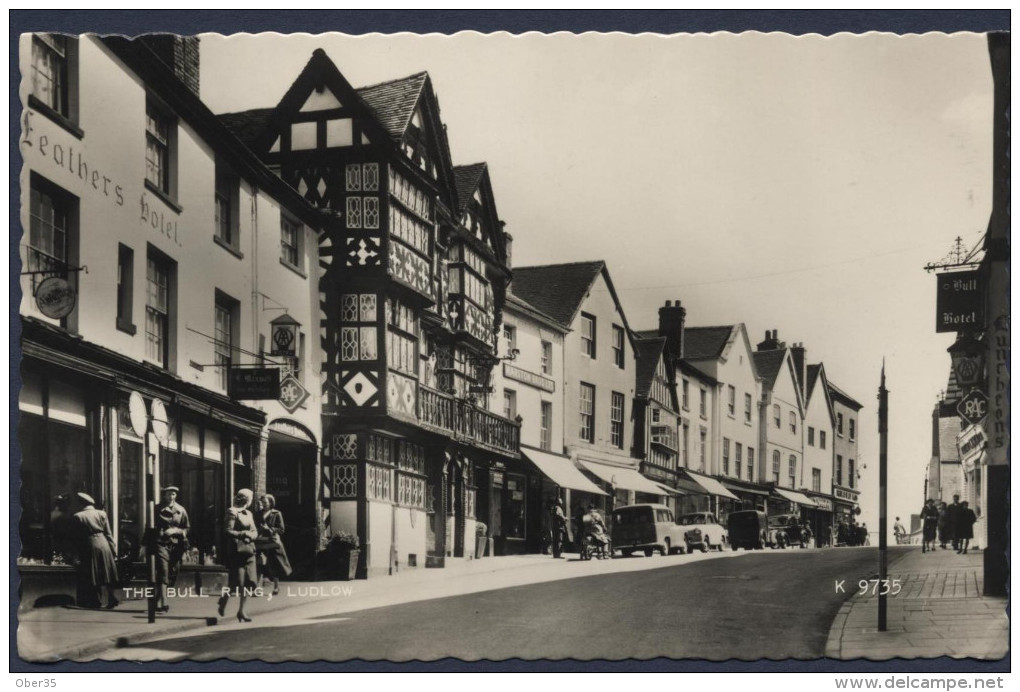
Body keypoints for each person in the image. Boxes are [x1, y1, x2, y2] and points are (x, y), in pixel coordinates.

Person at [71, 492, 120, 609]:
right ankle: (112, 598)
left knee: (94, 572)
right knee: (107, 572)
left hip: (90, 544)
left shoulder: (78, 516)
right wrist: (113, 549)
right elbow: (108, 533)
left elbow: (77, 536)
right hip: (104, 543)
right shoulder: (102, 513)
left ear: (82, 503)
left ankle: (96, 601)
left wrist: (76, 554)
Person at [218, 489, 259, 622]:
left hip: (249, 551)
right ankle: (224, 600)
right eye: (251, 498)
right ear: (247, 499)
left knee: (249, 582)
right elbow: (227, 531)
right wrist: (243, 534)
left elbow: (254, 530)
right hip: (237, 551)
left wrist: (251, 536)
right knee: (237, 582)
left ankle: (242, 611)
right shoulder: (232, 512)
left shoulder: (249, 513)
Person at [153, 486, 190, 613]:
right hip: (161, 543)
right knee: (163, 571)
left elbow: (186, 528)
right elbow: (150, 527)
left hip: (176, 545)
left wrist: (175, 530)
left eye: (173, 494)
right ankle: (164, 603)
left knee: (173, 572)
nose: (171, 497)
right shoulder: (157, 509)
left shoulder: (181, 510)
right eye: (169, 494)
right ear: (164, 495)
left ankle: (156, 601)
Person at [255, 494, 292, 595]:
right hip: (261, 541)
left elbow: (281, 529)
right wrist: (259, 530)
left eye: (265, 503)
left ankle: (276, 587)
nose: (263, 505)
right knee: (259, 564)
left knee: (274, 564)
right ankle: (258, 588)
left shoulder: (276, 514)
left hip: (272, 542)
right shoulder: (258, 514)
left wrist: (270, 529)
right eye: (262, 503)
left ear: (271, 503)